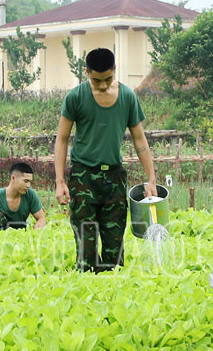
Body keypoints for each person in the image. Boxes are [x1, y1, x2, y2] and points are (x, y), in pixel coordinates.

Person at [53, 47, 158, 272]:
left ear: (115, 70)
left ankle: (111, 299)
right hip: (83, 176)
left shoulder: (128, 97)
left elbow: (140, 140)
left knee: (114, 251)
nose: (102, 85)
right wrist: (60, 181)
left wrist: (151, 178)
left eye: (108, 79)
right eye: (96, 80)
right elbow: (61, 140)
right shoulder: (76, 97)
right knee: (86, 252)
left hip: (114, 176)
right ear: (87, 72)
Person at [0, 162, 46, 233]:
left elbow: (41, 219)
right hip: (0, 234)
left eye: (30, 182)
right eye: (26, 181)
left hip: (21, 235)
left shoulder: (30, 194)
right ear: (13, 178)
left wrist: (35, 234)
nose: (28, 185)